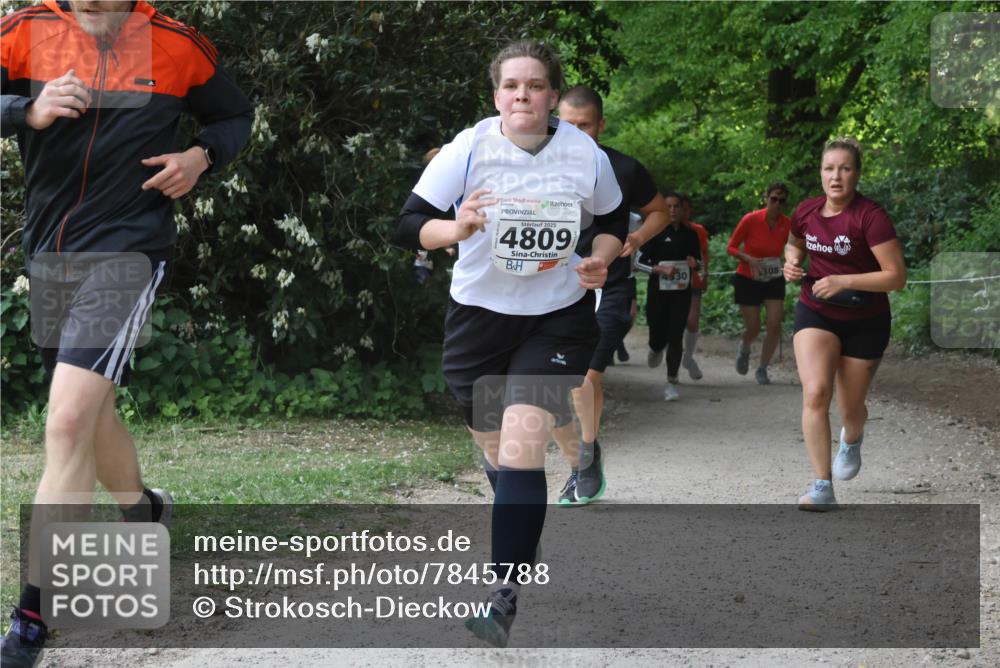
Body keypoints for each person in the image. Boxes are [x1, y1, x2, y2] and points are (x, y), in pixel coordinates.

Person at [0, 2, 252, 665]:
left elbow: (235, 116)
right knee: (90, 412)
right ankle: (142, 508)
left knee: (66, 421)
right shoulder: (24, 31)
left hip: (130, 248)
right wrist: (23, 112)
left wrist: (200, 155)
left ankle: (33, 613)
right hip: (51, 254)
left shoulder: (174, 43)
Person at [393, 41, 625, 646]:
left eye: (536, 85)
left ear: (553, 95)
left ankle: (502, 593)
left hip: (555, 318)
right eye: (511, 85)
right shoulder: (469, 148)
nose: (523, 94)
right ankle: (518, 521)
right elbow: (407, 223)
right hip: (478, 321)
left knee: (524, 445)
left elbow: (611, 223)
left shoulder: (584, 153)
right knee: (498, 454)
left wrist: (599, 258)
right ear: (496, 95)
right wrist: (457, 226)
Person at [552, 85, 668, 506]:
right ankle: (583, 457)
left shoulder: (623, 169)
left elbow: (661, 211)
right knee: (554, 383)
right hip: (552, 288)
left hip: (610, 286)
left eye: (585, 126)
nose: (577, 134)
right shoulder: (535, 168)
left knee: (585, 375)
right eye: (567, 125)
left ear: (601, 126)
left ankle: (586, 455)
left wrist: (635, 237)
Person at [784, 138, 906, 511]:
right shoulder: (806, 212)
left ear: (857, 173)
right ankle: (822, 486)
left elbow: (896, 277)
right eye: (829, 168)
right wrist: (791, 261)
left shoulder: (871, 217)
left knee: (851, 408)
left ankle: (851, 437)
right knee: (816, 393)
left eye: (845, 168)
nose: (836, 176)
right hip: (816, 311)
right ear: (820, 172)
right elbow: (794, 244)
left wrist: (845, 280)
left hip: (865, 319)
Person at [636, 192, 702, 401]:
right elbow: (638, 262)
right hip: (658, 292)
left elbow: (699, 262)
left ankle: (671, 382)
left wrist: (695, 264)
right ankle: (655, 347)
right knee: (658, 335)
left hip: (681, 293)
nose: (673, 210)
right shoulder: (654, 233)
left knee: (676, 336)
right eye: (669, 207)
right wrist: (660, 270)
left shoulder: (690, 234)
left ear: (683, 210)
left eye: (676, 206)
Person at [728, 182, 792, 385]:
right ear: (767, 198)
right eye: (774, 199)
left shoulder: (787, 224)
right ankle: (745, 347)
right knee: (753, 327)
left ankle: (763, 368)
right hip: (748, 277)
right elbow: (731, 247)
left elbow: (792, 248)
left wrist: (788, 259)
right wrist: (749, 259)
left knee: (774, 324)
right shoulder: (751, 219)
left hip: (773, 277)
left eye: (782, 201)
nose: (777, 204)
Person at [681, 196, 709, 380]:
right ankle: (672, 369)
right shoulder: (663, 229)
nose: (681, 212)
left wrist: (705, 275)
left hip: (692, 281)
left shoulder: (697, 230)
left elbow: (704, 254)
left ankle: (688, 357)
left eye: (684, 208)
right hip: (668, 283)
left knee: (692, 321)